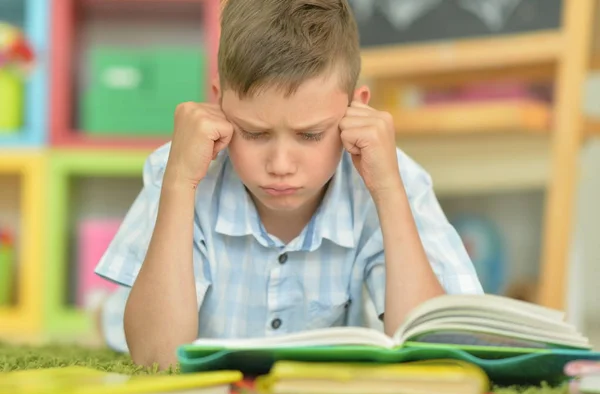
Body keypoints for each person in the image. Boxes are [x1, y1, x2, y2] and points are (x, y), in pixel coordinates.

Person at [95, 0, 483, 370]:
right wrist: (179, 182)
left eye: (311, 135)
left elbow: (431, 350)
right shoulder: (179, 168)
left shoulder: (394, 178)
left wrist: (388, 192)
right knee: (113, 322)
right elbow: (157, 358)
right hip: (146, 319)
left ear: (357, 111)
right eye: (254, 132)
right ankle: (101, 313)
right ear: (218, 104)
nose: (280, 166)